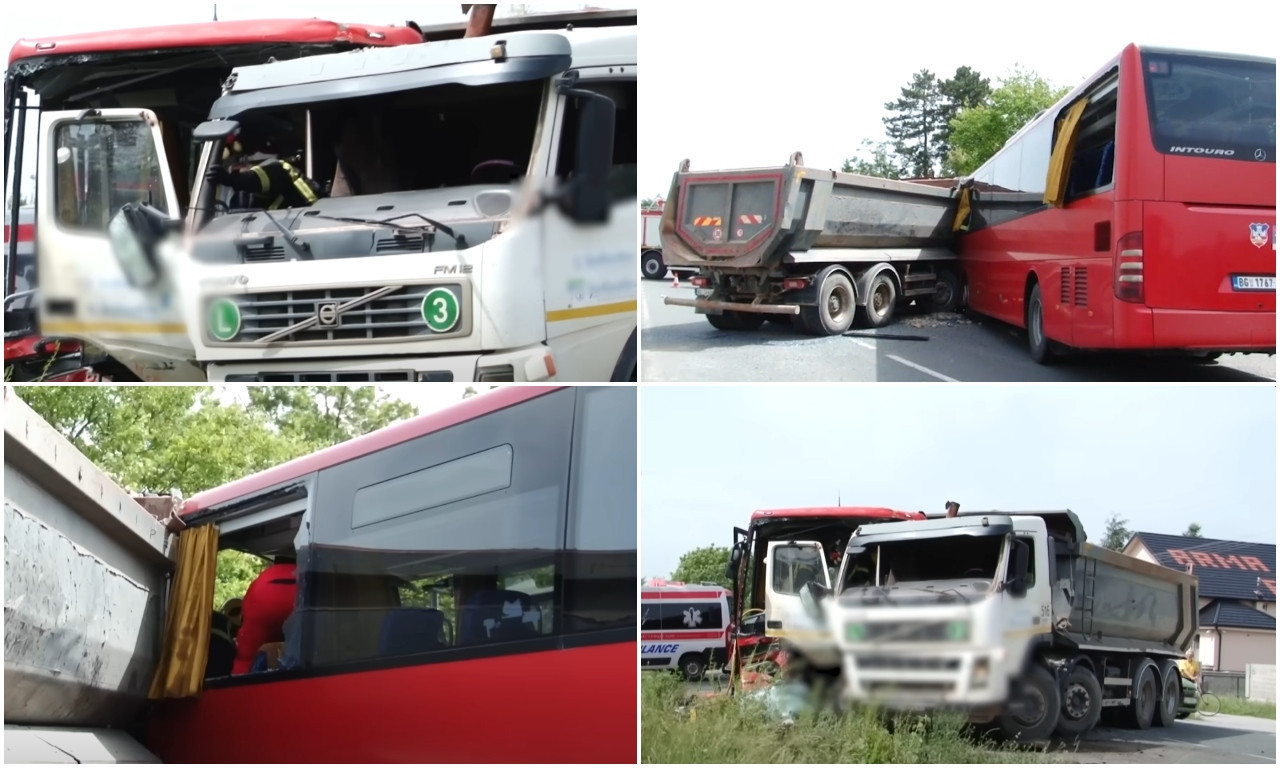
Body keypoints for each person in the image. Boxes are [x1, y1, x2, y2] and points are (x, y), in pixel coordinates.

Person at [206, 120, 321, 211]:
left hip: (308, 223)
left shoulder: (278, 168)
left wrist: (229, 179)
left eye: (238, 160)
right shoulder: (241, 191)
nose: (234, 167)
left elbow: (256, 178)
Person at [232, 558, 299, 675]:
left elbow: (246, 611)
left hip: (263, 600)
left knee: (246, 657)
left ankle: (238, 682)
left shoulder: (264, 577)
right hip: (300, 600)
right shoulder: (310, 575)